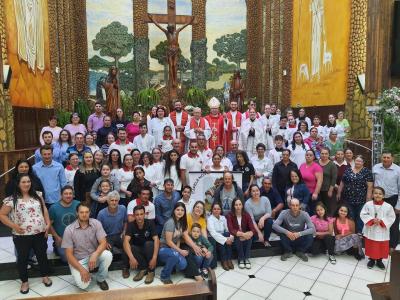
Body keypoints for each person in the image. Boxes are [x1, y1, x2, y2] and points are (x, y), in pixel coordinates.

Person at [0, 174, 52, 294]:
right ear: (18, 184)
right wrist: (14, 226)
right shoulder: (11, 199)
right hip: (21, 235)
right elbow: (1, 215)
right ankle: (24, 281)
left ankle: (45, 276)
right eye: (23, 182)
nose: (26, 184)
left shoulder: (38, 195)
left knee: (41, 255)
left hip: (40, 232)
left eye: (28, 181)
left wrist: (48, 224)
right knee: (22, 259)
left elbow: (44, 209)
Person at [62, 204, 113, 290]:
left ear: (90, 213)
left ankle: (100, 279)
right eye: (81, 212)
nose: (84, 214)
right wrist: (81, 269)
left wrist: (95, 254)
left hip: (93, 256)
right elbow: (69, 255)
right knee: (83, 285)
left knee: (107, 255)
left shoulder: (96, 223)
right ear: (77, 213)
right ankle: (85, 271)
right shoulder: (69, 229)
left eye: (86, 212)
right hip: (79, 261)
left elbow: (103, 242)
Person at [158, 202, 204, 284]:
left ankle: (172, 267)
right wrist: (179, 251)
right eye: (178, 210)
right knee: (175, 256)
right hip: (164, 249)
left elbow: (178, 238)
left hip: (173, 248)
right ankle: (164, 276)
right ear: (174, 211)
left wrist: (178, 250)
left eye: (182, 210)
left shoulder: (180, 222)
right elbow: (168, 241)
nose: (180, 212)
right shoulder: (170, 222)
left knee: (183, 264)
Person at [361, 187, 396, 269]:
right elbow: (363, 214)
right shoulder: (368, 204)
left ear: (383, 196)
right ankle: (372, 260)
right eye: (376, 193)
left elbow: (391, 217)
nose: (378, 195)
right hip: (371, 229)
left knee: (381, 246)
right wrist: (372, 220)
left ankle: (379, 261)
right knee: (371, 245)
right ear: (372, 194)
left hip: (382, 230)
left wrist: (382, 221)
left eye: (380, 194)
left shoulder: (388, 206)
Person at [122, 205, 159, 282]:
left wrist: (154, 257)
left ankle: (151, 271)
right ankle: (143, 269)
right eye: (137, 214)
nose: (139, 217)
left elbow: (156, 239)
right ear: (134, 215)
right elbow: (125, 241)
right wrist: (131, 258)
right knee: (130, 246)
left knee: (149, 244)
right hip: (138, 250)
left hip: (149, 250)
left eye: (141, 214)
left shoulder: (150, 223)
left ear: (145, 214)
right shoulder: (131, 224)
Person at [337, 155, 373, 233]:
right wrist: (339, 192)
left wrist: (368, 199)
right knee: (350, 217)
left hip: (361, 200)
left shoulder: (367, 172)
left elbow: (370, 187)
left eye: (360, 161)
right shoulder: (348, 170)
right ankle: (350, 235)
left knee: (360, 218)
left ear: (363, 162)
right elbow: (342, 182)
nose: (358, 162)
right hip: (348, 199)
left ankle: (359, 235)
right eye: (356, 160)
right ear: (354, 161)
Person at [373, 151, 400, 250]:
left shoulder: (398, 170)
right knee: (377, 221)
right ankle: (378, 242)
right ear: (381, 158)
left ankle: (392, 246)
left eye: (388, 157)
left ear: (392, 158)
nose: (386, 159)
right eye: (384, 157)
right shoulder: (376, 167)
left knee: (393, 222)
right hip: (378, 199)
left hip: (392, 198)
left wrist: (398, 205)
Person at [49, 185, 80, 262]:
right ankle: (56, 247)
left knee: (82, 255)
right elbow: (49, 224)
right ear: (61, 195)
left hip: (77, 236)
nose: (68, 196)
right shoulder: (54, 208)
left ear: (73, 195)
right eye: (66, 194)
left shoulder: (78, 204)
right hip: (62, 238)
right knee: (66, 259)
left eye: (70, 193)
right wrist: (56, 237)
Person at [227, 198, 256, 269]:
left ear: (242, 206)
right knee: (238, 237)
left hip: (245, 236)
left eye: (240, 204)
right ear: (233, 206)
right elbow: (231, 229)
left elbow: (253, 229)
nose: (238, 206)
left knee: (249, 237)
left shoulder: (246, 214)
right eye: (236, 205)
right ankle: (241, 259)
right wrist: (243, 234)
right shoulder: (229, 215)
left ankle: (246, 258)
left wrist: (249, 234)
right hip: (236, 236)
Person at [207, 202, 234, 271]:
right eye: (214, 209)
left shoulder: (223, 218)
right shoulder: (209, 219)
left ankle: (229, 259)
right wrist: (225, 239)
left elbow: (227, 229)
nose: (216, 210)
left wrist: (230, 237)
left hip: (224, 236)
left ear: (221, 210)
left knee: (227, 234)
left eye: (218, 209)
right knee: (223, 237)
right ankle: (224, 260)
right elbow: (213, 233)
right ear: (212, 210)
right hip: (215, 238)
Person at [318, 147, 338, 215]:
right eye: (322, 153)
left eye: (326, 154)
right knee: (319, 208)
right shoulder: (316, 163)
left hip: (327, 190)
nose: (324, 155)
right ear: (320, 154)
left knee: (328, 209)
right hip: (317, 190)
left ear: (329, 154)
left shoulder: (332, 165)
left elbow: (334, 178)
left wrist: (330, 190)